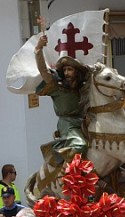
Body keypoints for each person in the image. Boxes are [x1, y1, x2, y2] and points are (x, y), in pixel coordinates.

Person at [33, 34, 90, 164]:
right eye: (65, 70)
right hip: (68, 124)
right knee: (81, 145)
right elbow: (43, 70)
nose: (66, 73)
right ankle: (65, 165)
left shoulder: (83, 86)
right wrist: (38, 49)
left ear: (77, 72)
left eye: (70, 69)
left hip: (86, 121)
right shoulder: (57, 86)